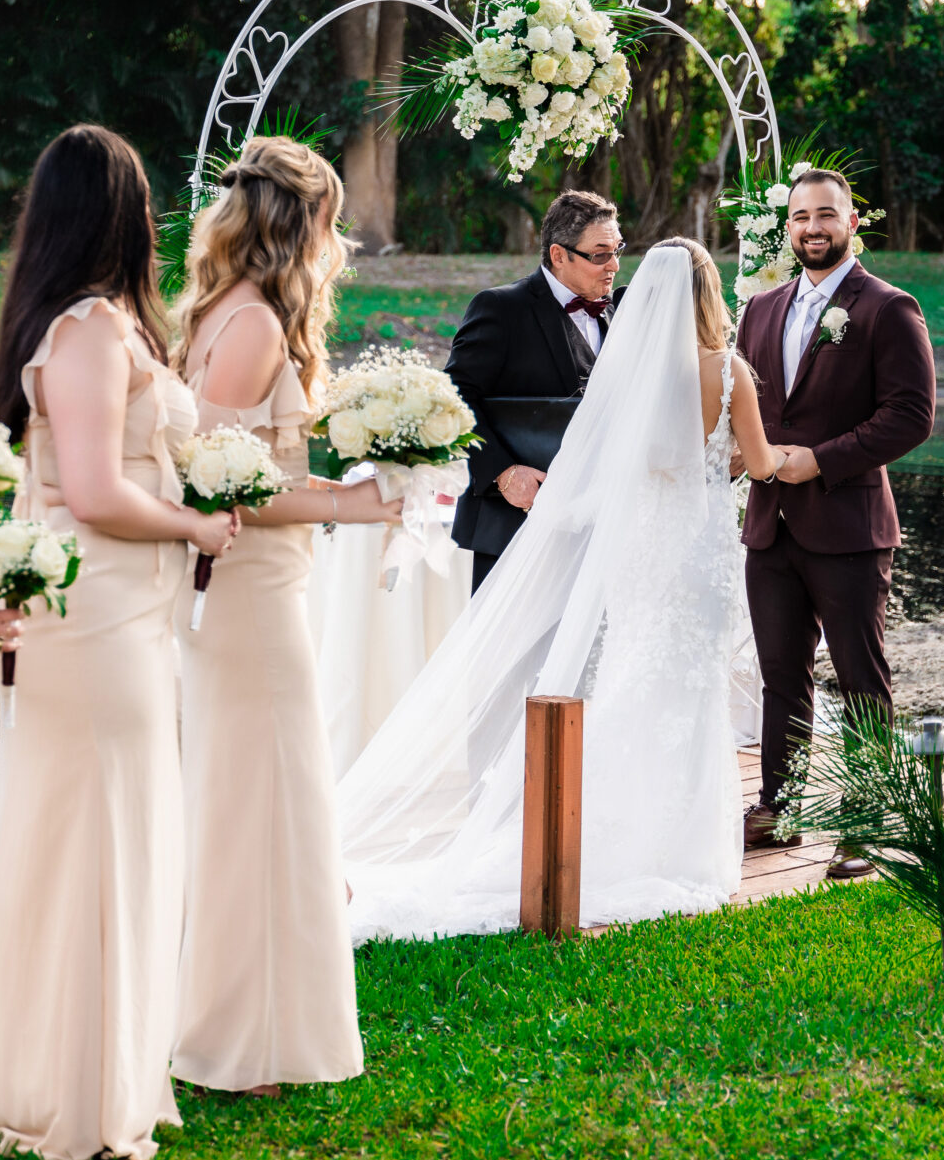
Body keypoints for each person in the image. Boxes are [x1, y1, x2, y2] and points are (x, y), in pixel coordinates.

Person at [334, 238, 779, 939]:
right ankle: (677, 846)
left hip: (640, 556)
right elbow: (754, 462)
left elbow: (609, 470)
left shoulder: (628, 376)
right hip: (698, 556)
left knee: (633, 679)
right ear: (709, 292)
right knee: (692, 691)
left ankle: (608, 831)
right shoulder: (728, 372)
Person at [0, 126, 234, 1160]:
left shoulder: (116, 326)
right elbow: (90, 492)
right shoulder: (82, 331)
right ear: (118, 212)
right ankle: (70, 1096)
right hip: (91, 614)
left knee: (127, 834)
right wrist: (196, 527)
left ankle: (111, 1073)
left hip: (129, 615)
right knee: (97, 839)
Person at [167, 136, 395, 1099]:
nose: (337, 239)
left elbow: (259, 468)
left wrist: (344, 474)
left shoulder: (226, 310)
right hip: (251, 599)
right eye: (331, 219)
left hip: (263, 589)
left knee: (264, 799)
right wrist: (353, 502)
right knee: (261, 802)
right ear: (300, 223)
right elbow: (221, 484)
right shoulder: (254, 322)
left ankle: (246, 1025)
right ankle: (241, 1041)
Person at [734, 169, 936, 876]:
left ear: (853, 223)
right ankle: (780, 806)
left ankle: (867, 819)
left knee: (860, 678)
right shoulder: (759, 309)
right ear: (786, 227)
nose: (811, 228)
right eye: (799, 217)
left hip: (849, 527)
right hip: (770, 528)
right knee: (781, 676)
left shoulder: (887, 307)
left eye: (826, 215)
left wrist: (818, 461)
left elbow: (911, 417)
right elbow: (753, 411)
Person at [445, 191, 622, 592]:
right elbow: (453, 398)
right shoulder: (500, 308)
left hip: (594, 529)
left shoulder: (614, 312)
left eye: (617, 249)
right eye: (599, 254)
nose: (613, 265)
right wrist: (503, 474)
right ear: (558, 255)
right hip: (513, 523)